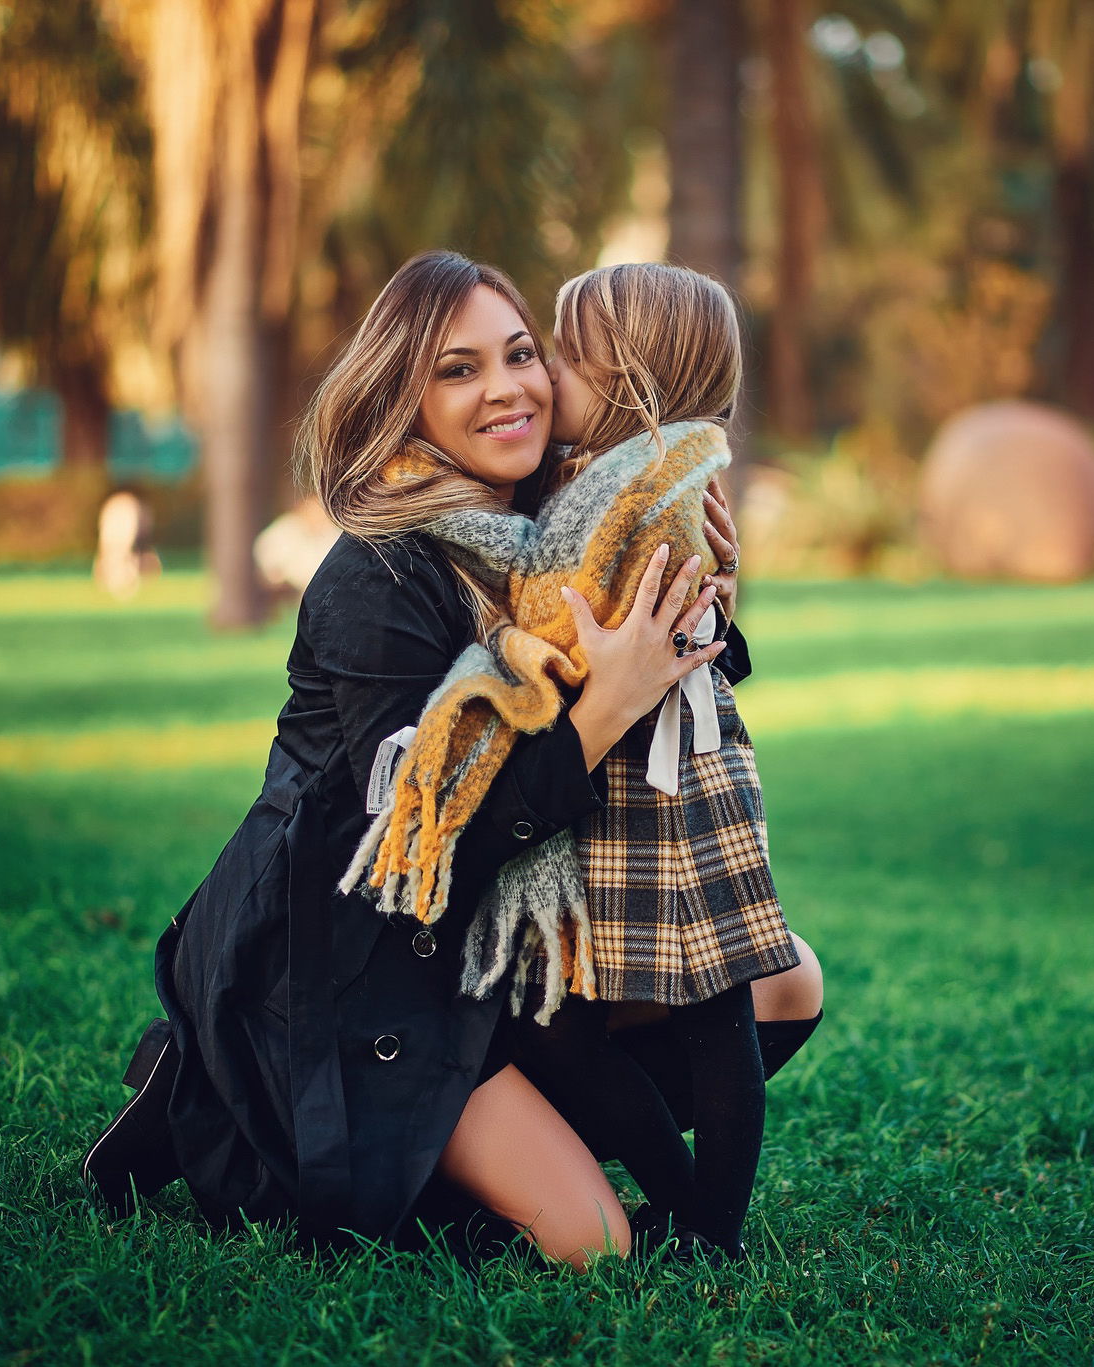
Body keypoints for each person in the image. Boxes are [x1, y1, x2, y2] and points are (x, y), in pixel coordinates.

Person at [83, 251, 727, 1269]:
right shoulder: (374, 574)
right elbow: (412, 867)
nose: (508, 386)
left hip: (489, 942)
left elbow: (671, 686)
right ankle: (223, 1090)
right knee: (593, 1245)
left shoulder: (548, 525)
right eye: (457, 370)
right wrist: (601, 707)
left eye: (520, 353)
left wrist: (692, 582)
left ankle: (487, 1134)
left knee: (780, 984)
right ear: (403, 398)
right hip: (356, 957)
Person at [498, 263, 824, 1261]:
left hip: (651, 780)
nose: (543, 372)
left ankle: (706, 1225)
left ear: (622, 376)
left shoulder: (629, 488)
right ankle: (693, 1211)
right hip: (637, 765)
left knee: (701, 1001)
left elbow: (563, 621)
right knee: (591, 1009)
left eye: (561, 352)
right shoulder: (645, 476)